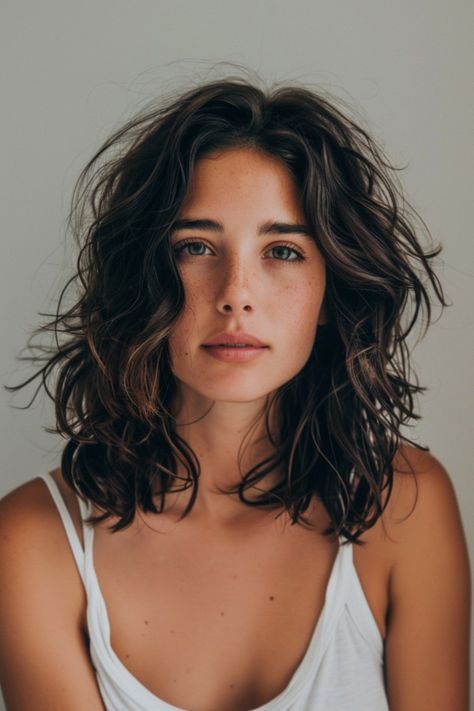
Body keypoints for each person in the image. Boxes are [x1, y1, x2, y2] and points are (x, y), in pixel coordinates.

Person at [0, 75, 470, 711]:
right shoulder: (30, 543)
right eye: (196, 247)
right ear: (144, 277)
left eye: (282, 250)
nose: (236, 292)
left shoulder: (405, 508)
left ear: (331, 289)